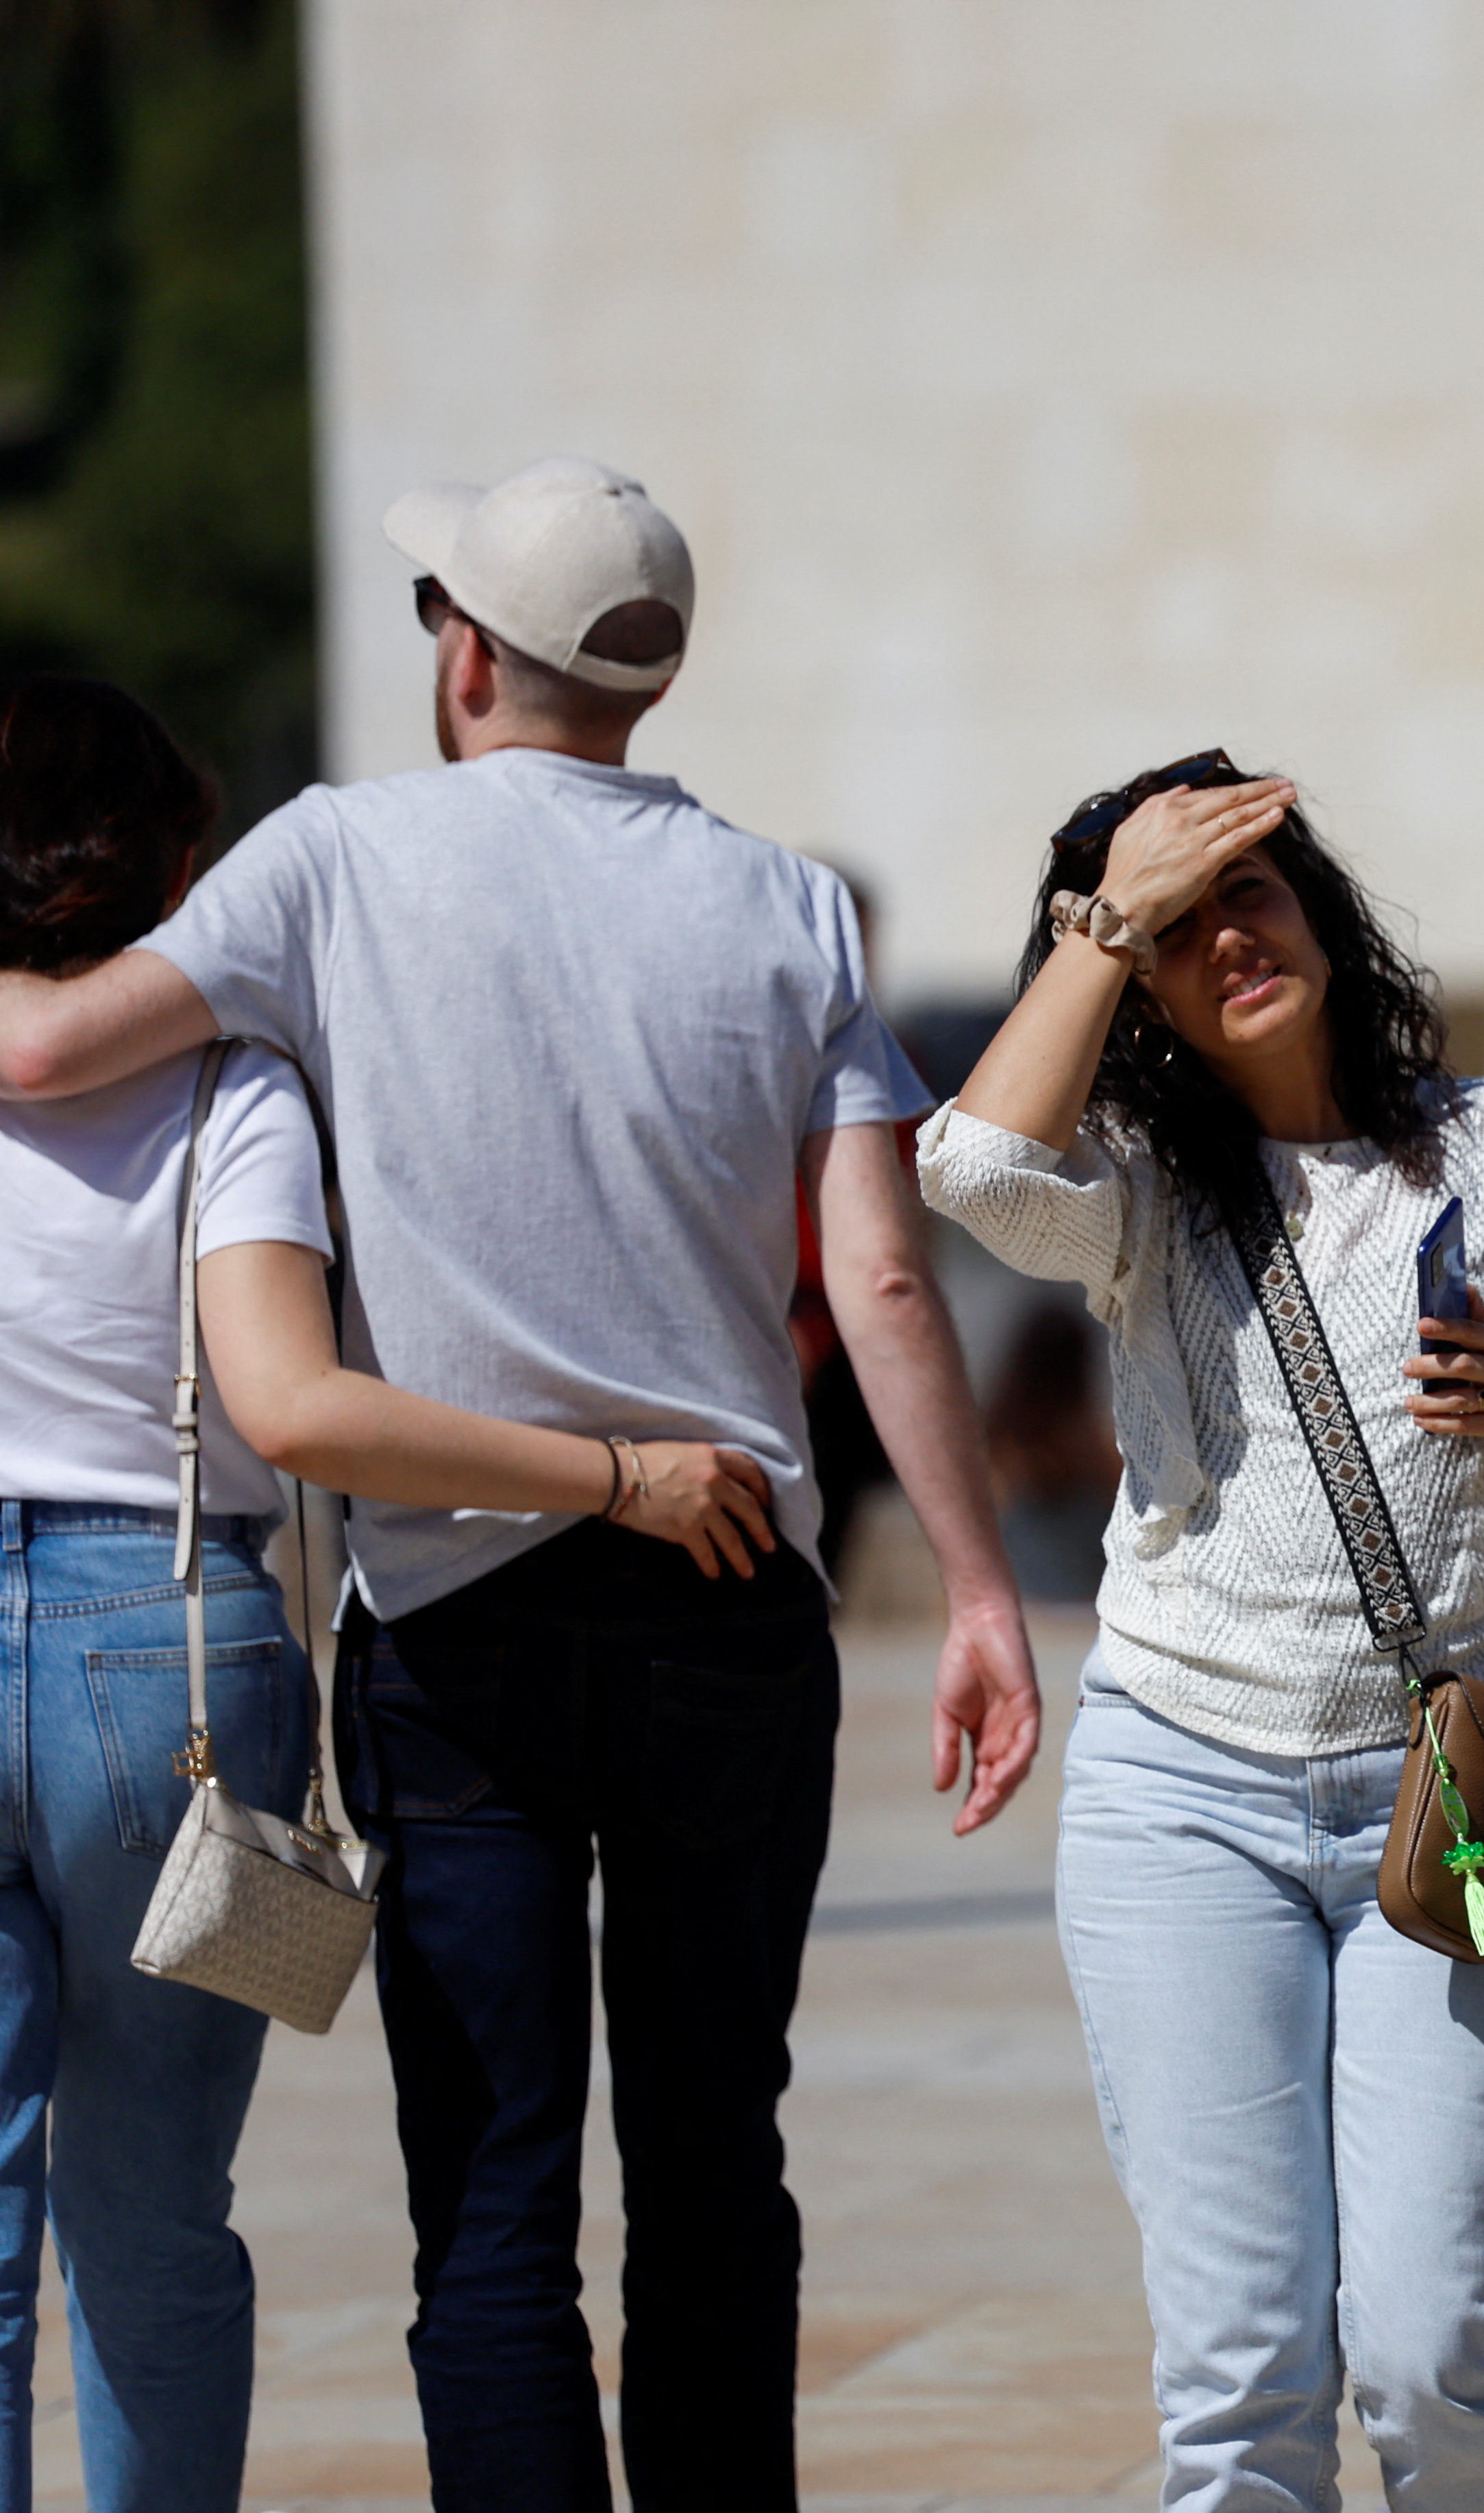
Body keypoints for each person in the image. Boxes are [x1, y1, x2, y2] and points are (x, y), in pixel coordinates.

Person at [0, 458, 1041, 2512]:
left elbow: (49, 1054)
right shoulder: (788, 901)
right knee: (715, 2163)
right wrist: (987, 1593)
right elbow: (888, 1266)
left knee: (490, 2203)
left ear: (466, 651)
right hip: (731, 1588)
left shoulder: (329, 862)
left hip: (457, 1613)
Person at [0, 674, 779, 2510]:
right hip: (164, 1645)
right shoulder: (228, 1083)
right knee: (157, 2217)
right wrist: (615, 1475)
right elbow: (285, 1402)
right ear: (177, 867)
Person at [920, 750, 1484, 2510]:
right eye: (1176, 927)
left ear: (1314, 901)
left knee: (1436, 2336)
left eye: (1245, 887)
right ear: (1139, 984)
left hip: (1454, 1776)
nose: (1222, 936)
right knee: (1243, 2372)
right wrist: (1108, 912)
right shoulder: (1133, 1189)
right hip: (1185, 1797)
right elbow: (966, 1163)